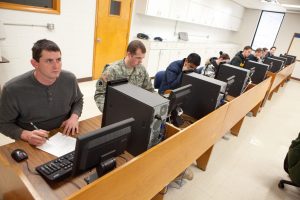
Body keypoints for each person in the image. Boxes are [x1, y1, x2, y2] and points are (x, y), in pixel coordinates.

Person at [0, 39, 83, 146]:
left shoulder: (70, 78)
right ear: (35, 63)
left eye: (58, 60)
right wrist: (26, 135)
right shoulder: (12, 89)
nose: (56, 66)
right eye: (49, 61)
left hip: (65, 134)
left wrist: (74, 117)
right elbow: (3, 123)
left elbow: (78, 100)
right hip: (33, 140)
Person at [94, 40, 154, 112]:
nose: (141, 61)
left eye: (142, 58)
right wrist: (109, 112)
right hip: (116, 110)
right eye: (138, 58)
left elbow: (149, 90)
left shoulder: (141, 69)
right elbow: (100, 94)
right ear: (129, 54)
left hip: (136, 109)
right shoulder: (111, 70)